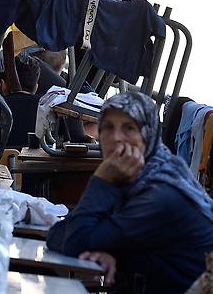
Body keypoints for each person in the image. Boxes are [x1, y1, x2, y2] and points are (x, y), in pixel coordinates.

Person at [47, 92, 213, 293]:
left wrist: (100, 181)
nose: (116, 138)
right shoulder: (137, 176)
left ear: (148, 135)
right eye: (108, 127)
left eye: (129, 128)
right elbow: (57, 236)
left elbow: (73, 242)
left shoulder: (159, 192)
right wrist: (109, 249)